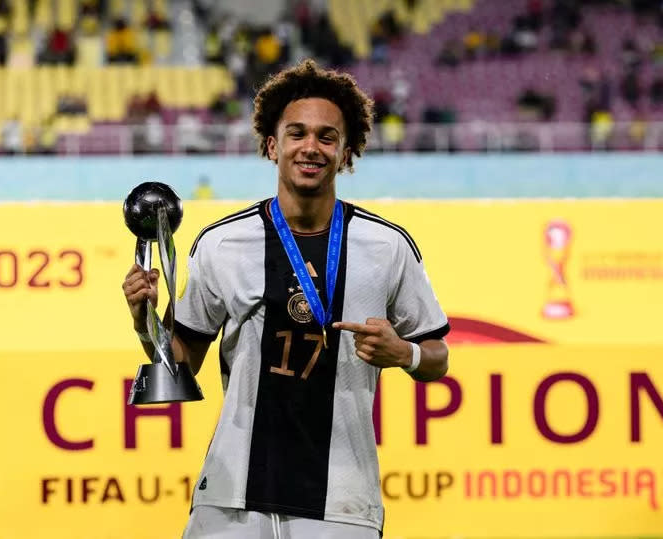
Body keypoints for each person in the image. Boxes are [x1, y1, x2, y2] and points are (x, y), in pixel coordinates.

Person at [121, 59, 450, 538]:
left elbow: (437, 357)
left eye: (327, 136)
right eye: (296, 133)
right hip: (231, 501)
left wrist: (405, 352)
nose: (311, 147)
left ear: (346, 151)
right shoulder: (221, 244)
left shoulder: (388, 246)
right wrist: (143, 320)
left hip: (342, 503)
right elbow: (180, 361)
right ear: (273, 146)